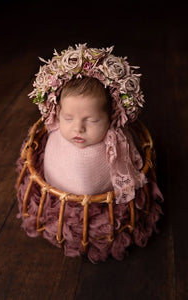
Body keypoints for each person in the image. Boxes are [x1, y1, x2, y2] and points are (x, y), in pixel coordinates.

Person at [16, 44, 163, 263]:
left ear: (111, 117)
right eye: (68, 118)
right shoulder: (55, 133)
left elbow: (100, 180)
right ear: (57, 113)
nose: (78, 129)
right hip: (61, 199)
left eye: (92, 120)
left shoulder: (117, 142)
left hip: (101, 204)